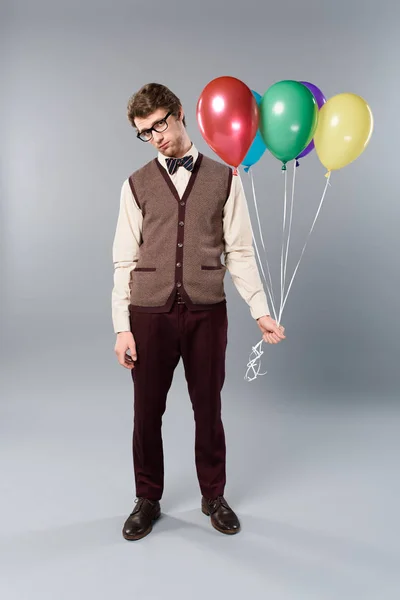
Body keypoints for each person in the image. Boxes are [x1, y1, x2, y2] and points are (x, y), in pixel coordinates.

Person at [112, 83, 286, 541]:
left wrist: (260, 310)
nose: (157, 137)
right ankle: (147, 497)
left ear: (179, 113)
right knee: (146, 412)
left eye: (160, 125)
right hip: (148, 314)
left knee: (208, 408)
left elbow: (241, 252)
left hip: (208, 311)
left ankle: (214, 494)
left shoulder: (226, 178)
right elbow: (123, 261)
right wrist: (121, 329)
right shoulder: (135, 185)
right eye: (145, 133)